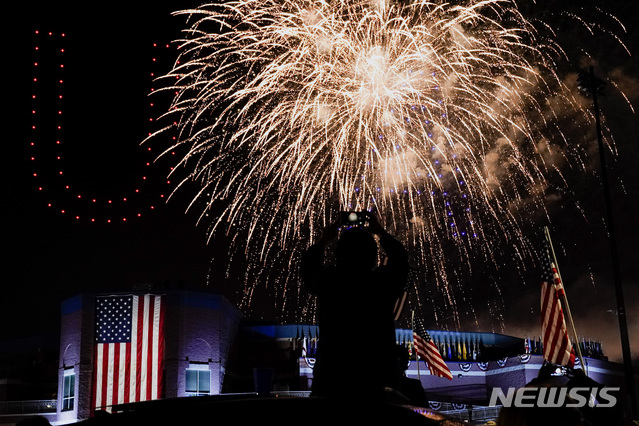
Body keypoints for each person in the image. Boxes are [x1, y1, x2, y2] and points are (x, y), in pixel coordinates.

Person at [300, 213, 409, 400]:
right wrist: (380, 233)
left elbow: (308, 268)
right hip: (377, 385)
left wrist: (324, 239)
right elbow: (400, 258)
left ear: (338, 255)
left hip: (332, 383)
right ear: (373, 256)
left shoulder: (329, 283)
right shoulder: (382, 285)